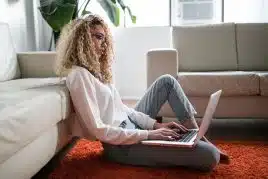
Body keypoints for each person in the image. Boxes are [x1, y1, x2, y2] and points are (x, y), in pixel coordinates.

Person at [55, 14, 229, 172]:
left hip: (132, 127)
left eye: (105, 38)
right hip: (120, 147)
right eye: (99, 37)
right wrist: (149, 134)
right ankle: (196, 142)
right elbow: (98, 130)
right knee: (210, 156)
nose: (104, 44)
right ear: (82, 39)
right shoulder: (78, 75)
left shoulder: (96, 72)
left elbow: (123, 109)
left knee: (166, 81)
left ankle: (196, 135)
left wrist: (155, 126)